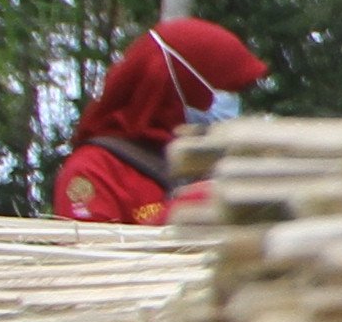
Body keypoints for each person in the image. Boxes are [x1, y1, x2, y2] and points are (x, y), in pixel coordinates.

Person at [51, 17, 265, 225]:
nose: (232, 102)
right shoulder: (95, 170)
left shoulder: (225, 162)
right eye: (225, 89)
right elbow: (91, 255)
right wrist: (187, 210)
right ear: (179, 87)